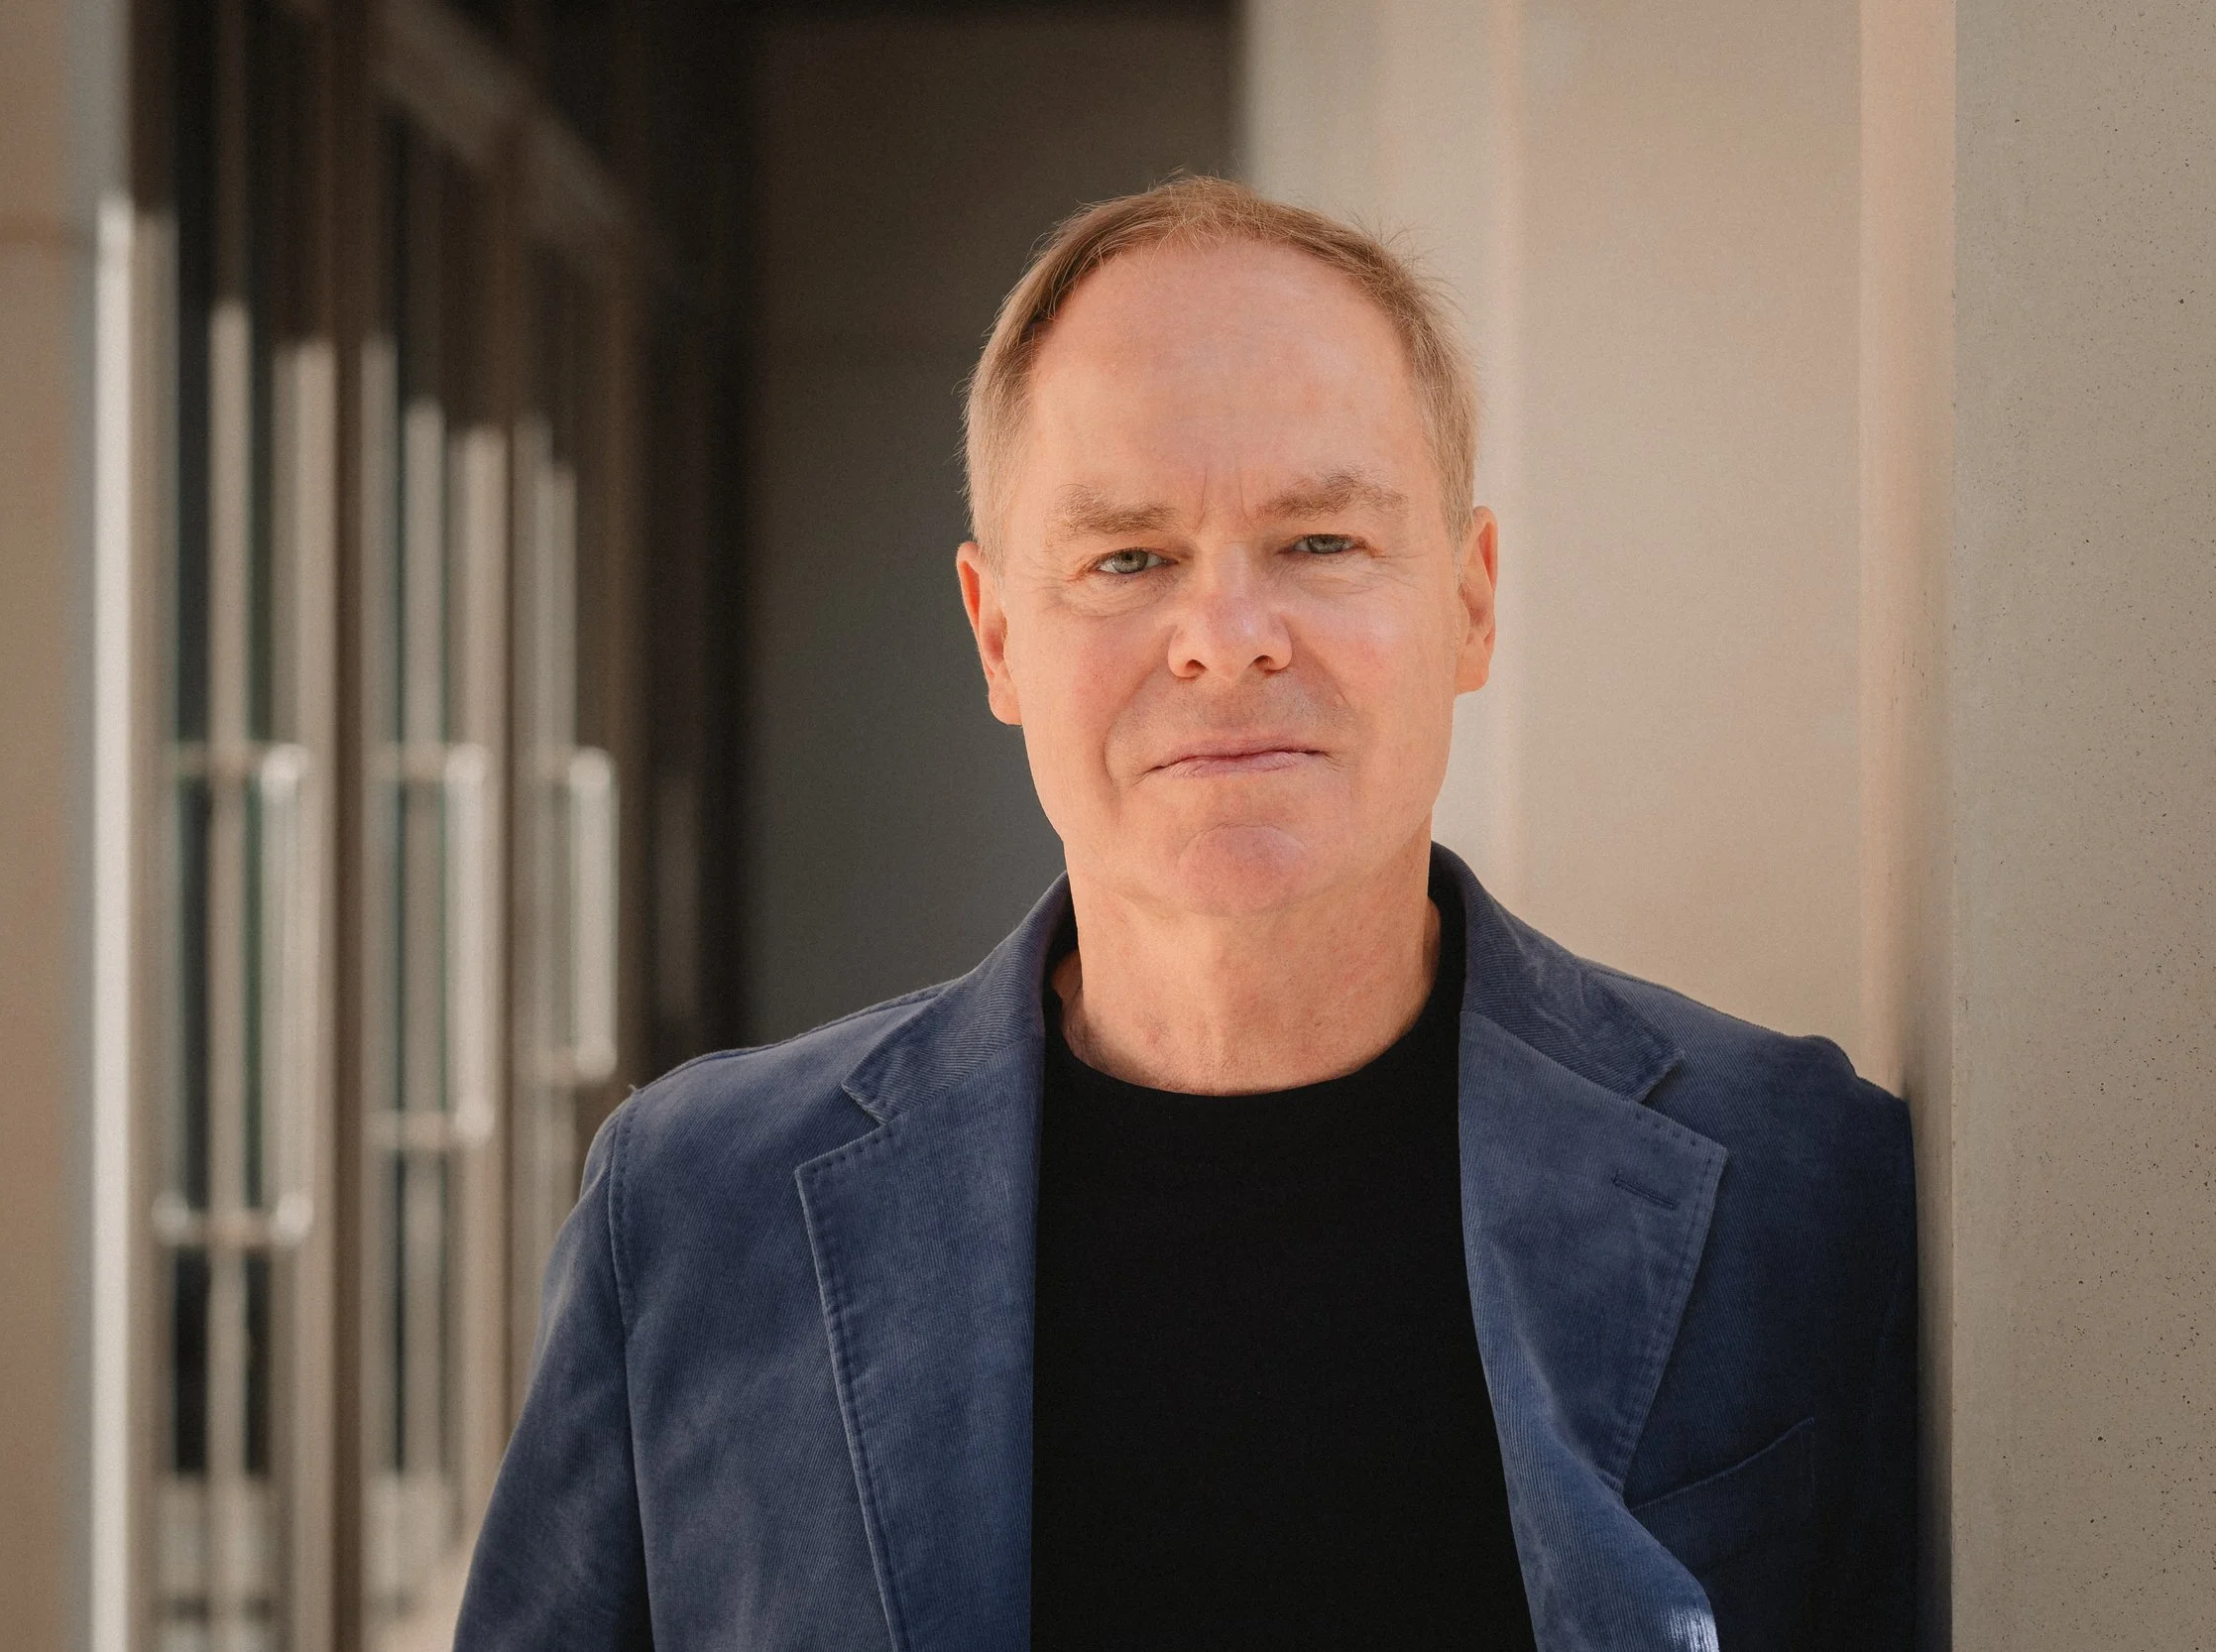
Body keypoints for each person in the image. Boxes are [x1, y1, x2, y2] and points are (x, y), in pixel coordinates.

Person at [454, 177, 1916, 1652]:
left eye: (1321, 542)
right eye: (1129, 559)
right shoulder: (699, 1218)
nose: (1226, 639)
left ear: (1471, 601)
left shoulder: (1799, 1188)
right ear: (999, 635)